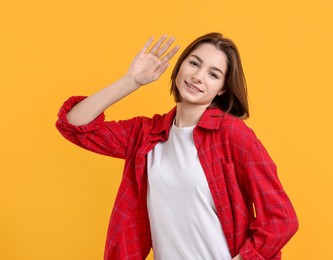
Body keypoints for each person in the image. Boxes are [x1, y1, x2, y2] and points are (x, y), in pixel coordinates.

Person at [56, 33, 298, 260]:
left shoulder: (231, 134)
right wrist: (130, 81)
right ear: (180, 66)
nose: (198, 76)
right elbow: (73, 125)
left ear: (222, 89)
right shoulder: (146, 135)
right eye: (194, 63)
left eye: (213, 74)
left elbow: (281, 218)